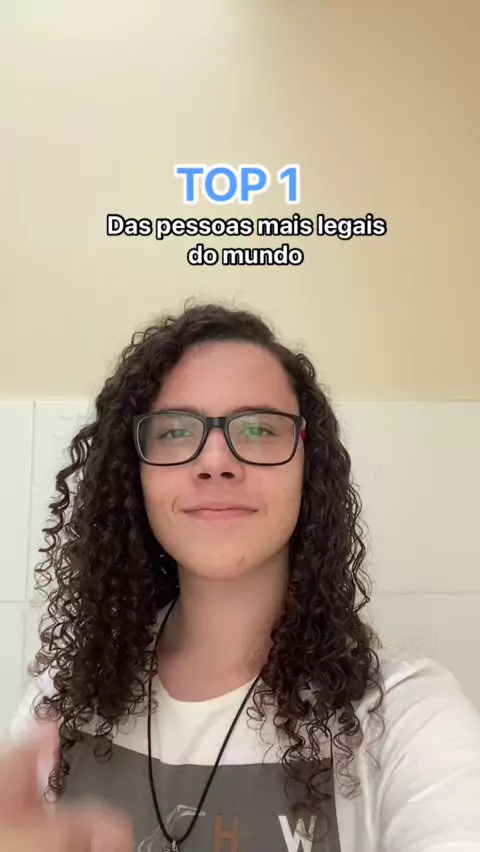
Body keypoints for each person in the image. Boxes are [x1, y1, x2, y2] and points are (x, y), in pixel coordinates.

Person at [5, 302, 480, 852]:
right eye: (175, 431)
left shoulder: (402, 720)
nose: (216, 461)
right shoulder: (60, 702)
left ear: (308, 467)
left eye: (258, 429)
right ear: (136, 475)